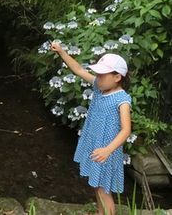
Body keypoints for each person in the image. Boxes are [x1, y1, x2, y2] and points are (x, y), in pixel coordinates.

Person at [51, 42, 131, 215]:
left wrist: (108, 150)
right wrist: (62, 53)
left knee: (103, 190)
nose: (98, 77)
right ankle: (100, 212)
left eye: (102, 74)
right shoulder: (98, 86)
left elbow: (126, 130)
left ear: (117, 77)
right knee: (96, 184)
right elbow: (79, 70)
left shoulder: (122, 100)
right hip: (95, 143)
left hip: (106, 150)